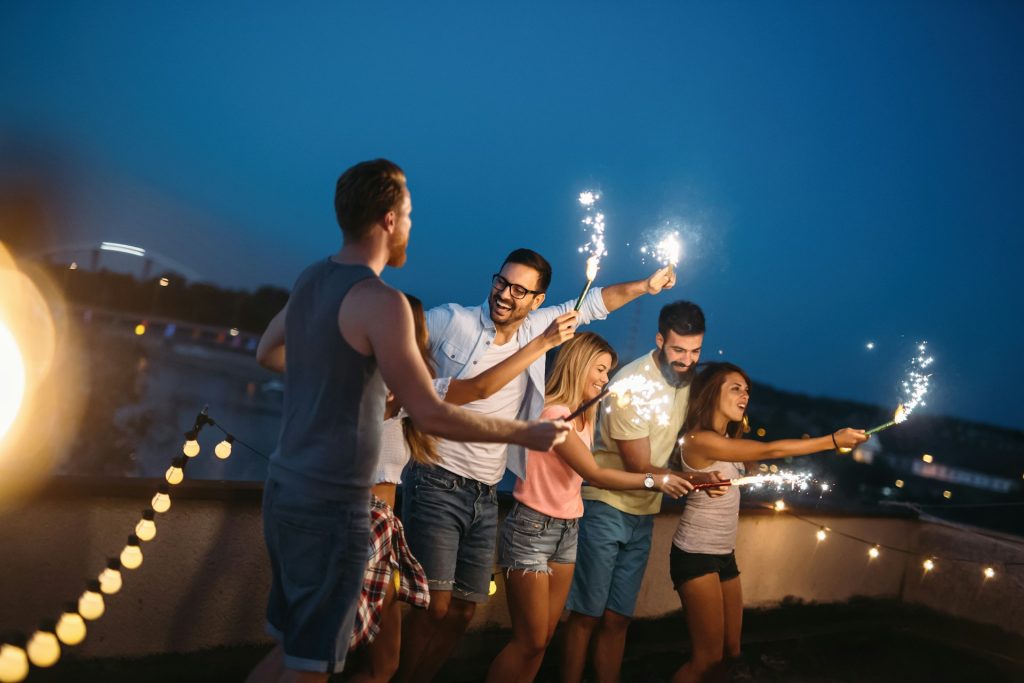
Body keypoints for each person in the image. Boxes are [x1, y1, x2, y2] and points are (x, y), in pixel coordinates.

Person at [246, 159, 569, 683]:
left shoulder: (313, 278)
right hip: (333, 504)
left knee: (292, 651)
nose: (414, 225)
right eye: (411, 213)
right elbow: (430, 414)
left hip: (283, 491)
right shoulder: (383, 302)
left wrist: (349, 372)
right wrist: (524, 432)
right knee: (311, 668)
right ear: (390, 219)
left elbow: (267, 352)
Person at [398, 250, 680, 682]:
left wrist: (645, 286)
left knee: (461, 611)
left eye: (519, 290)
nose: (504, 294)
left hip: (487, 491)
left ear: (537, 299)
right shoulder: (451, 320)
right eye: (501, 282)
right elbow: (407, 349)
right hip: (435, 476)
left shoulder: (536, 324)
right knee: (431, 605)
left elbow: (597, 302)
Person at [345, 294, 578, 683]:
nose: (422, 342)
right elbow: (479, 390)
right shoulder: (379, 384)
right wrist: (542, 347)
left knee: (374, 664)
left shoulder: (405, 389)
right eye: (415, 333)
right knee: (322, 659)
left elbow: (466, 406)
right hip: (356, 526)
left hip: (378, 533)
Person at [486, 332, 700, 683]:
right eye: (599, 370)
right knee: (530, 640)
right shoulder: (553, 413)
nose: (605, 379)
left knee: (544, 640)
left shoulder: (583, 416)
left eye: (607, 372)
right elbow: (595, 473)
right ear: (577, 365)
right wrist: (653, 480)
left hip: (568, 529)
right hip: (532, 529)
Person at [669, 362, 866, 683]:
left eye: (747, 389)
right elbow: (771, 448)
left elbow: (753, 461)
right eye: (735, 388)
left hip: (723, 555)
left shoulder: (727, 439)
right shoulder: (699, 438)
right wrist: (833, 440)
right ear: (710, 393)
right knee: (706, 659)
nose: (745, 394)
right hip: (695, 554)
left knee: (731, 653)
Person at [561, 300, 710, 683]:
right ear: (660, 339)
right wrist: (684, 481)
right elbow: (639, 466)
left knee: (618, 618)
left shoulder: (688, 379)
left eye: (695, 351)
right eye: (678, 350)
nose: (686, 360)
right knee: (587, 616)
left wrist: (703, 478)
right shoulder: (632, 384)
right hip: (605, 505)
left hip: (644, 512)